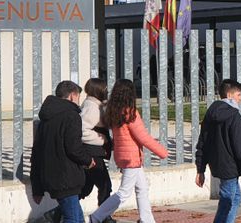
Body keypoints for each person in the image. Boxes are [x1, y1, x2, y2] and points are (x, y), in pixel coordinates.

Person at [89, 79, 168, 223]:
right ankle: (97, 216)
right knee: (124, 193)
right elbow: (143, 137)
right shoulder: (130, 113)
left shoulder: (113, 111)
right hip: (131, 158)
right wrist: (162, 152)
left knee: (142, 188)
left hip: (123, 155)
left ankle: (147, 220)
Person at [30, 81, 95, 223]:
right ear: (72, 96)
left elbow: (37, 153)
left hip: (53, 177)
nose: (79, 102)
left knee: (77, 217)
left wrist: (37, 187)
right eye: (78, 97)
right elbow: (74, 148)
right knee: (72, 218)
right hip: (67, 178)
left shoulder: (46, 118)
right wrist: (88, 160)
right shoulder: (71, 116)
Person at [195, 79, 241, 223]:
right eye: (239, 95)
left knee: (235, 197)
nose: (240, 100)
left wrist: (201, 169)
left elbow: (202, 143)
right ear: (229, 95)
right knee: (227, 201)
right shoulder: (234, 117)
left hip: (218, 165)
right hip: (230, 166)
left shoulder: (210, 114)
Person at [79, 78, 114, 215]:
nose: (106, 91)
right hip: (92, 152)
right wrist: (102, 140)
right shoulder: (92, 108)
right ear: (98, 90)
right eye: (104, 89)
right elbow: (82, 131)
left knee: (86, 187)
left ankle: (57, 213)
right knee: (105, 185)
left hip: (92, 152)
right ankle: (103, 216)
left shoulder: (94, 105)